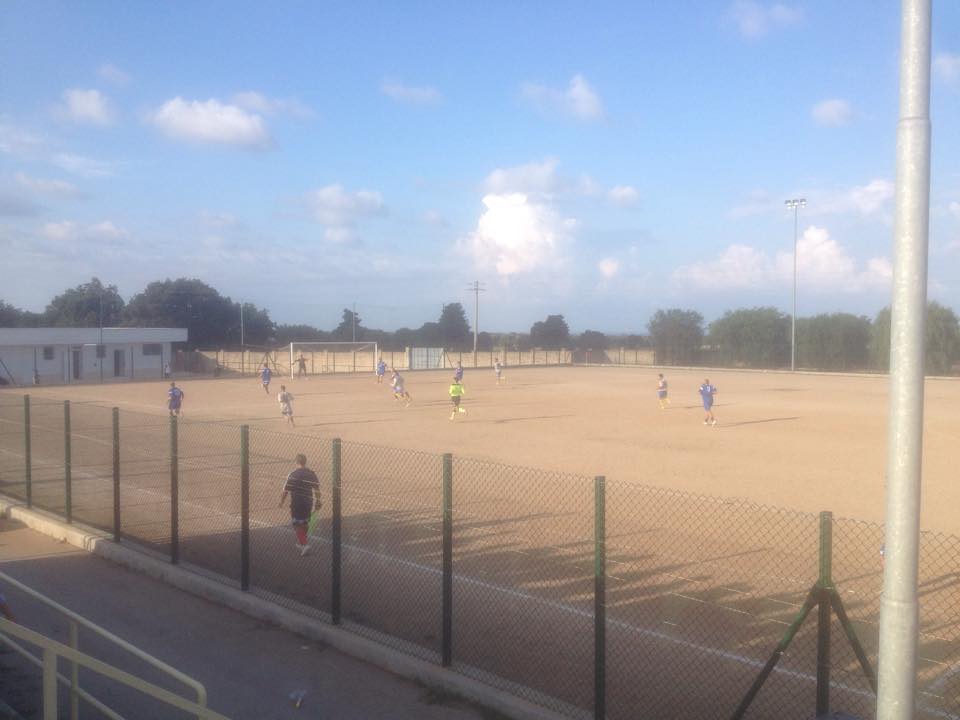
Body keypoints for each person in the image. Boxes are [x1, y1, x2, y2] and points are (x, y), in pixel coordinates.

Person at [279, 454, 321, 556]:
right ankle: (303, 542)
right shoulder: (311, 474)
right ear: (305, 462)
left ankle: (304, 544)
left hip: (297, 503)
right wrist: (318, 501)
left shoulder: (292, 474)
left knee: (296, 524)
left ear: (296, 462)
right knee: (305, 523)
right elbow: (317, 489)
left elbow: (285, 491)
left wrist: (281, 501)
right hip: (308, 502)